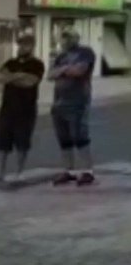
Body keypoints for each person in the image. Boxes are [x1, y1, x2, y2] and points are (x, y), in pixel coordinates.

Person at [0, 34, 45, 182]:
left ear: (32, 46)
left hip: (26, 109)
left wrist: (12, 77)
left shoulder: (37, 64)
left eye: (25, 45)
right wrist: (19, 76)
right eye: (20, 44)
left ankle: (19, 172)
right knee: (2, 141)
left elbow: (31, 82)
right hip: (7, 107)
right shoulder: (11, 62)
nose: (21, 47)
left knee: (22, 142)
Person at [47, 29, 98, 186]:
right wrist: (65, 70)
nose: (66, 40)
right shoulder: (61, 56)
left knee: (80, 137)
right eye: (64, 37)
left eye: (69, 37)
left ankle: (88, 171)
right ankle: (68, 171)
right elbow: (50, 75)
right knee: (64, 139)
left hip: (78, 101)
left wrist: (61, 71)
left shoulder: (85, 52)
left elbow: (79, 71)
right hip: (59, 102)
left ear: (76, 38)